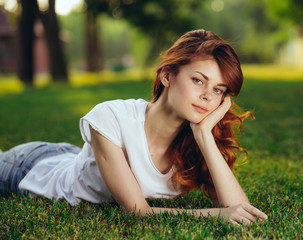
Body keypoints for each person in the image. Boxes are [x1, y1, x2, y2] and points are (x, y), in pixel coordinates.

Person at [0, 29, 267, 225]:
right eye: (198, 80)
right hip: (31, 167)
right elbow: (137, 212)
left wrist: (205, 136)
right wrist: (214, 217)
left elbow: (238, 208)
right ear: (167, 75)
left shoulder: (194, 140)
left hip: (76, 158)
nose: (208, 96)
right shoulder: (111, 117)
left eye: (218, 89)